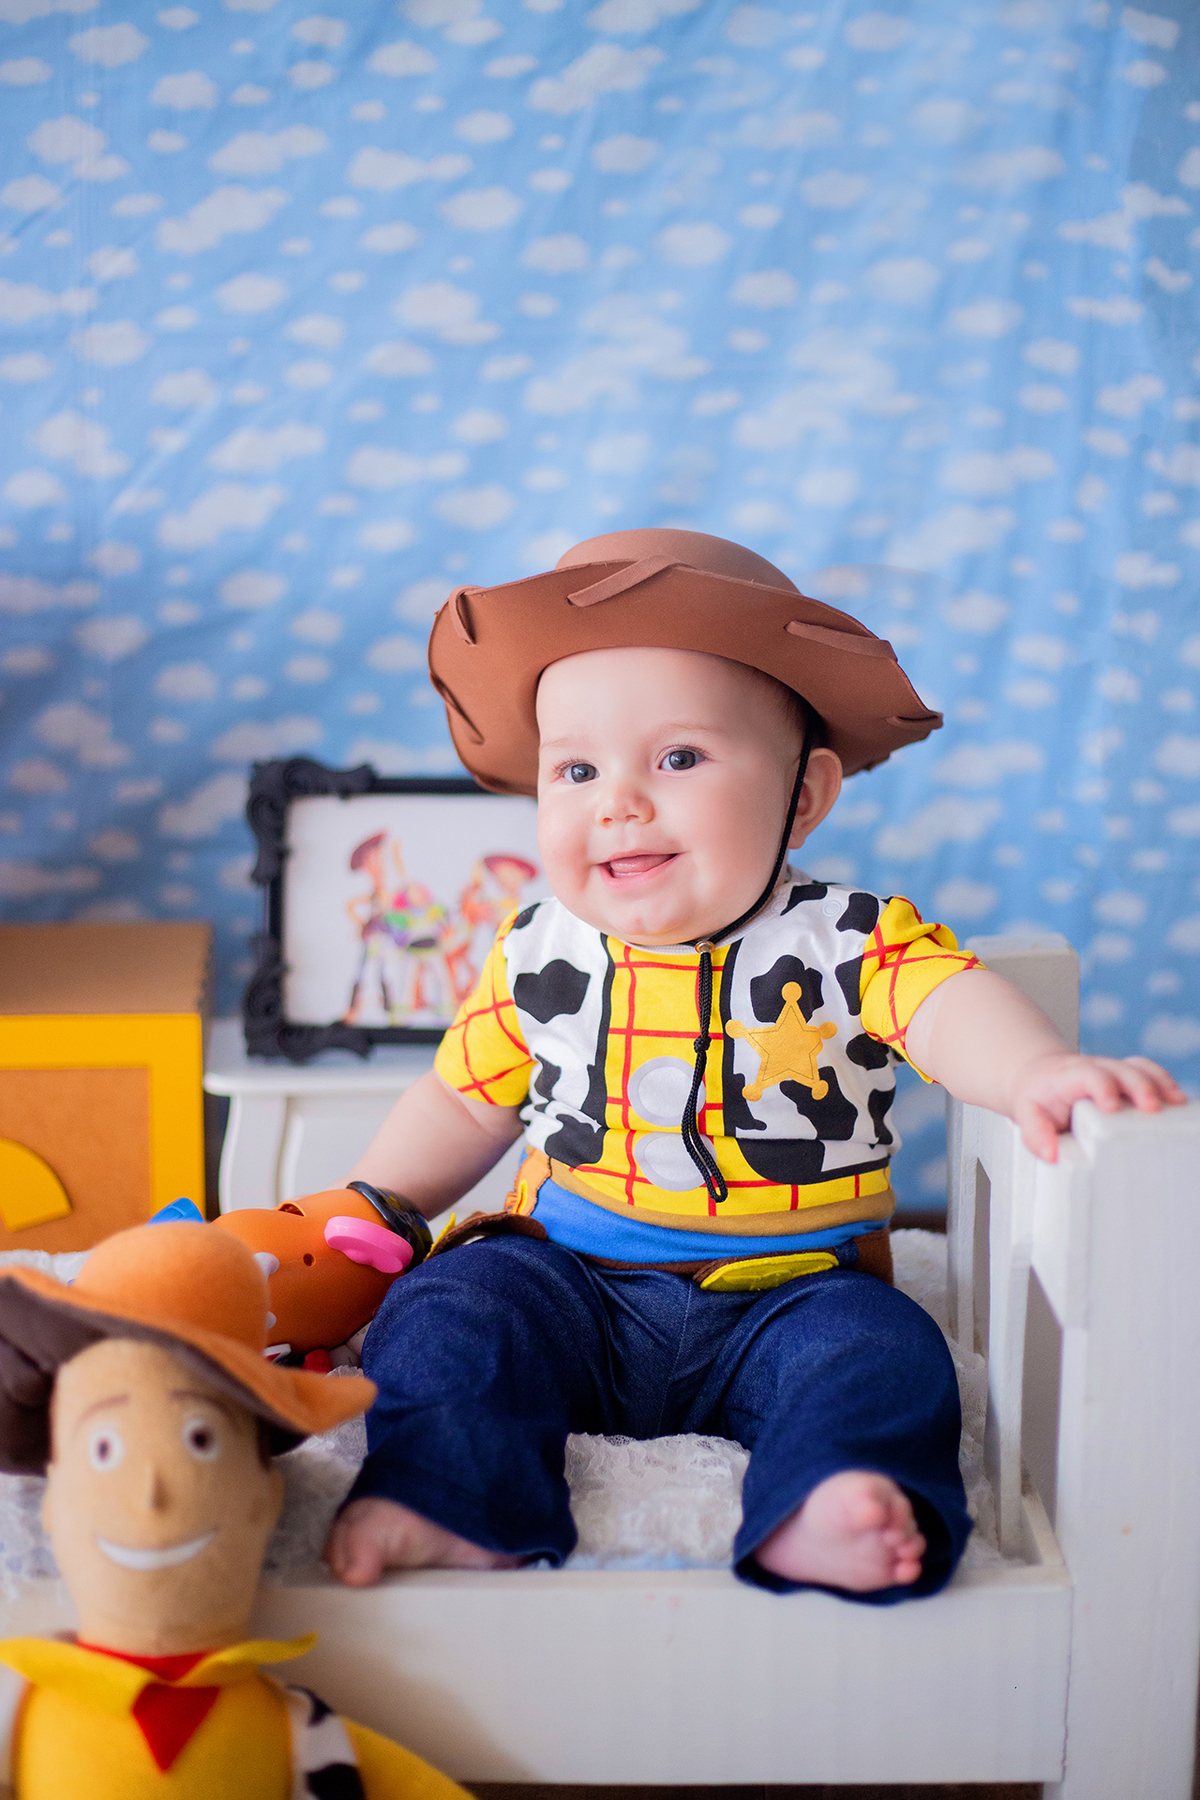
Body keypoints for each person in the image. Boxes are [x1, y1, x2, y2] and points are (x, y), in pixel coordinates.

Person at [322, 528, 1183, 1604]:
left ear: (804, 797)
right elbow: (461, 1096)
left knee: (886, 1356)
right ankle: (450, 1492)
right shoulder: (539, 950)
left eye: (679, 758)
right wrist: (375, 1204)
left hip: (789, 1297)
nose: (619, 801)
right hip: (572, 1281)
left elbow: (948, 1006)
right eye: (576, 769)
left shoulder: (846, 939)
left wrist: (1035, 1072)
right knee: (450, 1309)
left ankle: (826, 1499)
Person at [0, 1222, 470, 1799]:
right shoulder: (16, 1705)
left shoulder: (297, 1729)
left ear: (267, 1496)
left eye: (199, 1440)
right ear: (52, 1499)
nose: (151, 1493)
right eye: (105, 1449)